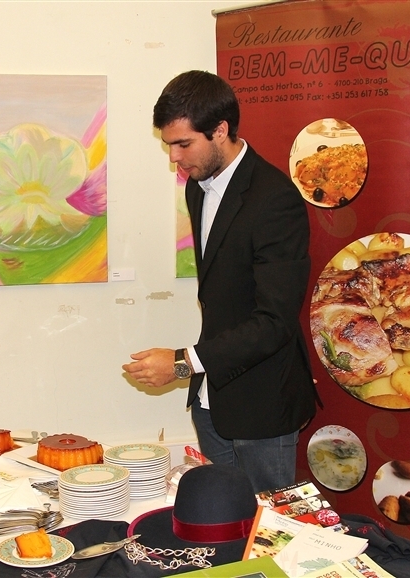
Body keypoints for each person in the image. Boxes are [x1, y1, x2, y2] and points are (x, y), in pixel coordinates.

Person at [123, 71, 317, 493]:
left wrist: (181, 362)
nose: (174, 158)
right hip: (211, 401)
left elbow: (275, 322)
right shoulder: (197, 187)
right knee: (221, 520)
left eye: (183, 144)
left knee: (265, 526)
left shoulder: (275, 199)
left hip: (262, 406)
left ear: (220, 130)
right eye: (168, 145)